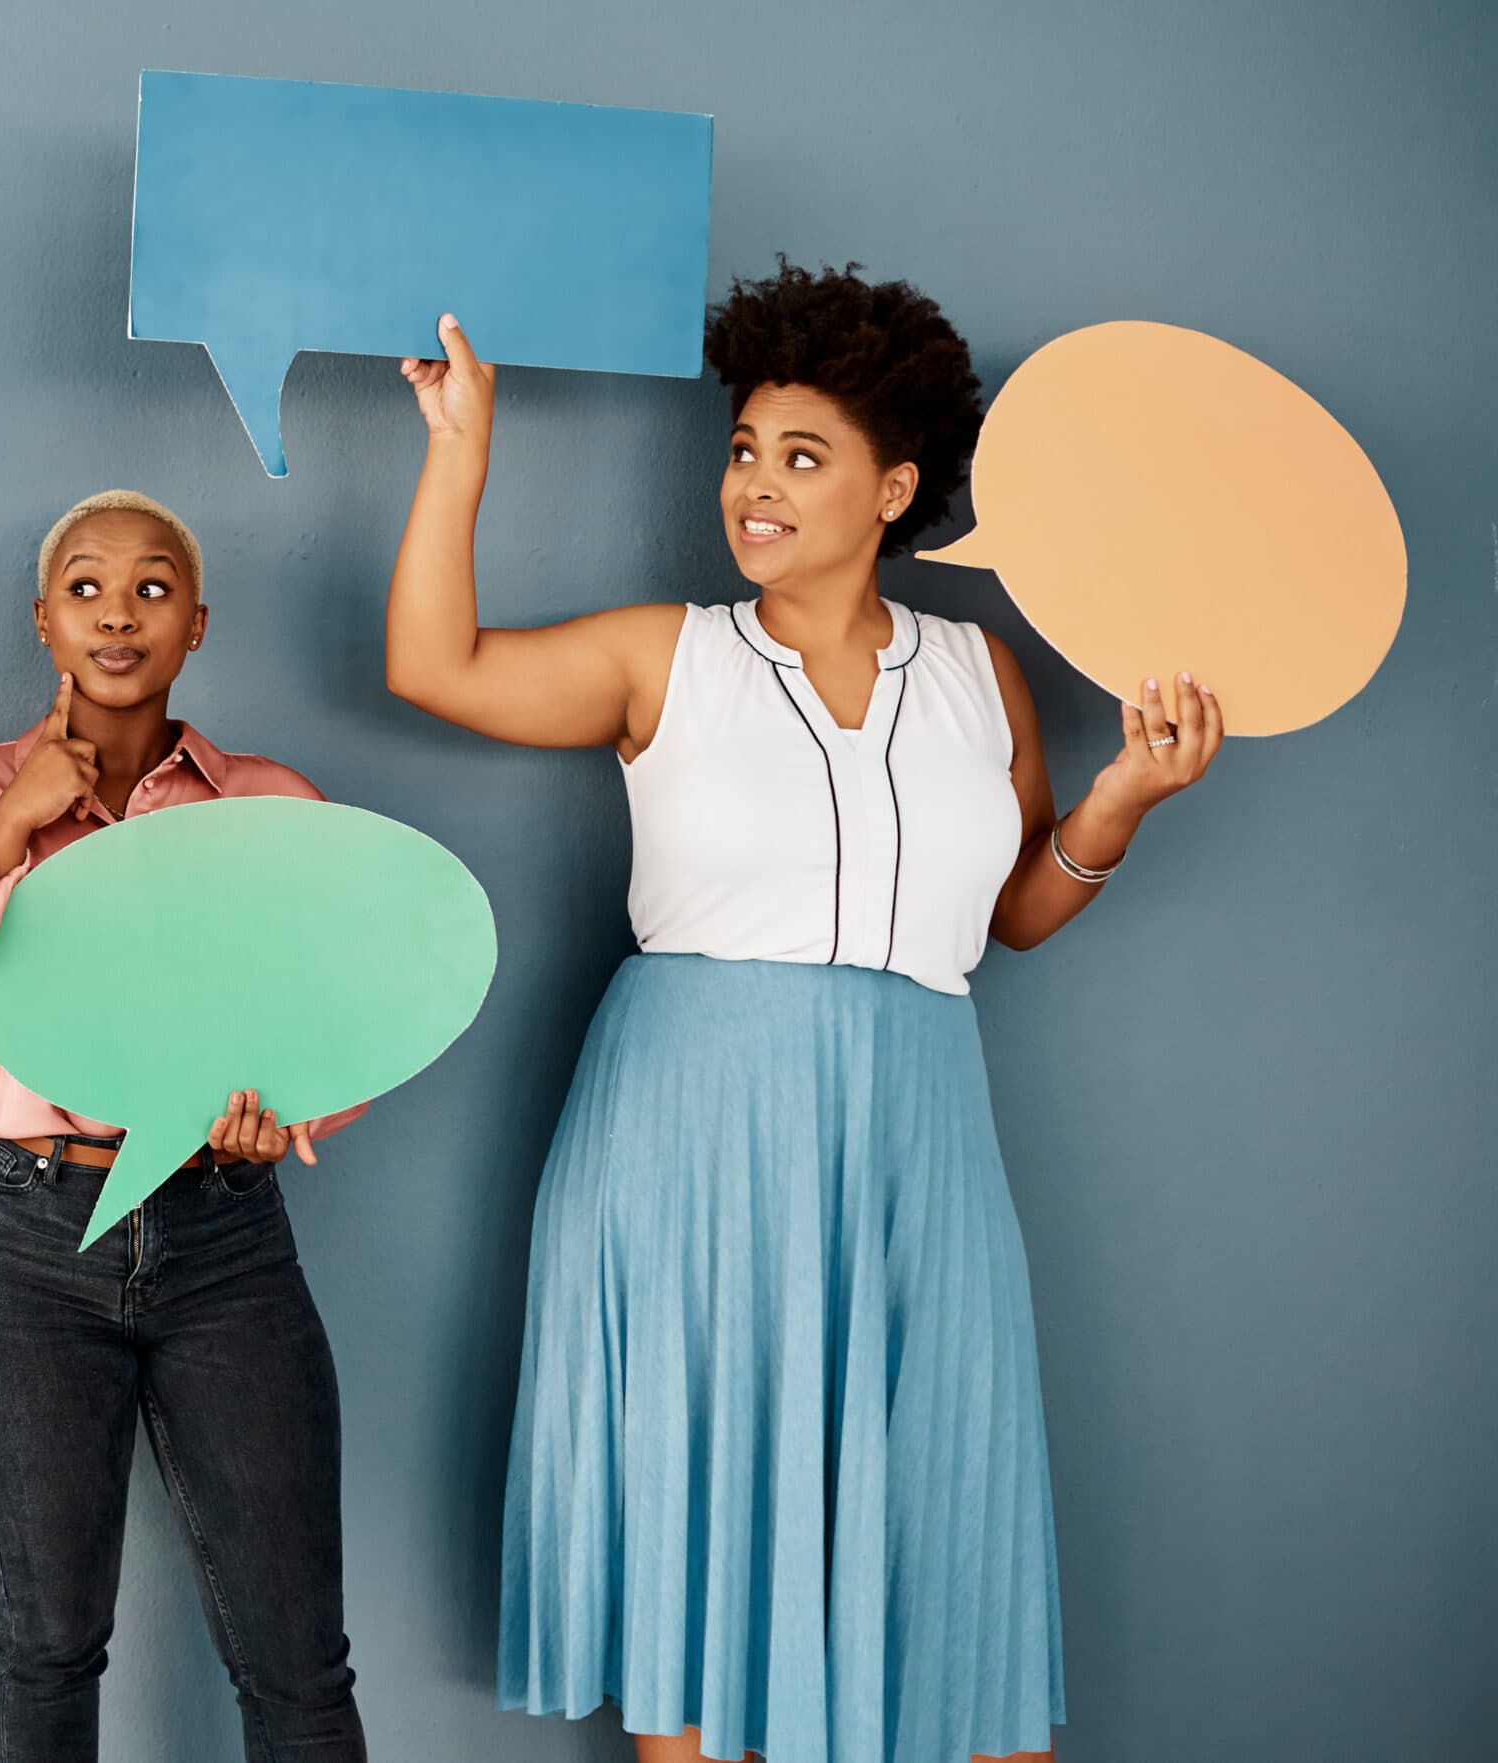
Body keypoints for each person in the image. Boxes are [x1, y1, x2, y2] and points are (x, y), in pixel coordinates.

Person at [386, 265, 1222, 1763]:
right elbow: (431, 666)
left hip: (919, 1130)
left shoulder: (979, 673)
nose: (755, 486)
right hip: (692, 1132)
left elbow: (1016, 912)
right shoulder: (666, 654)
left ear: (893, 489)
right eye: (742, 450)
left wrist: (1124, 798)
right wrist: (461, 448)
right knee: (703, 1536)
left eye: (801, 456)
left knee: (943, 1498)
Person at [0, 490, 369, 1762]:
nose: (117, 613)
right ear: (43, 621)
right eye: (85, 587)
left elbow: (343, 1010)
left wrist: (286, 1115)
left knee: (296, 1653)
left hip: (225, 1238)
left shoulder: (269, 803)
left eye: (152, 587)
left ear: (197, 623)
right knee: (46, 1638)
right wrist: (4, 830)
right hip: (24, 1241)